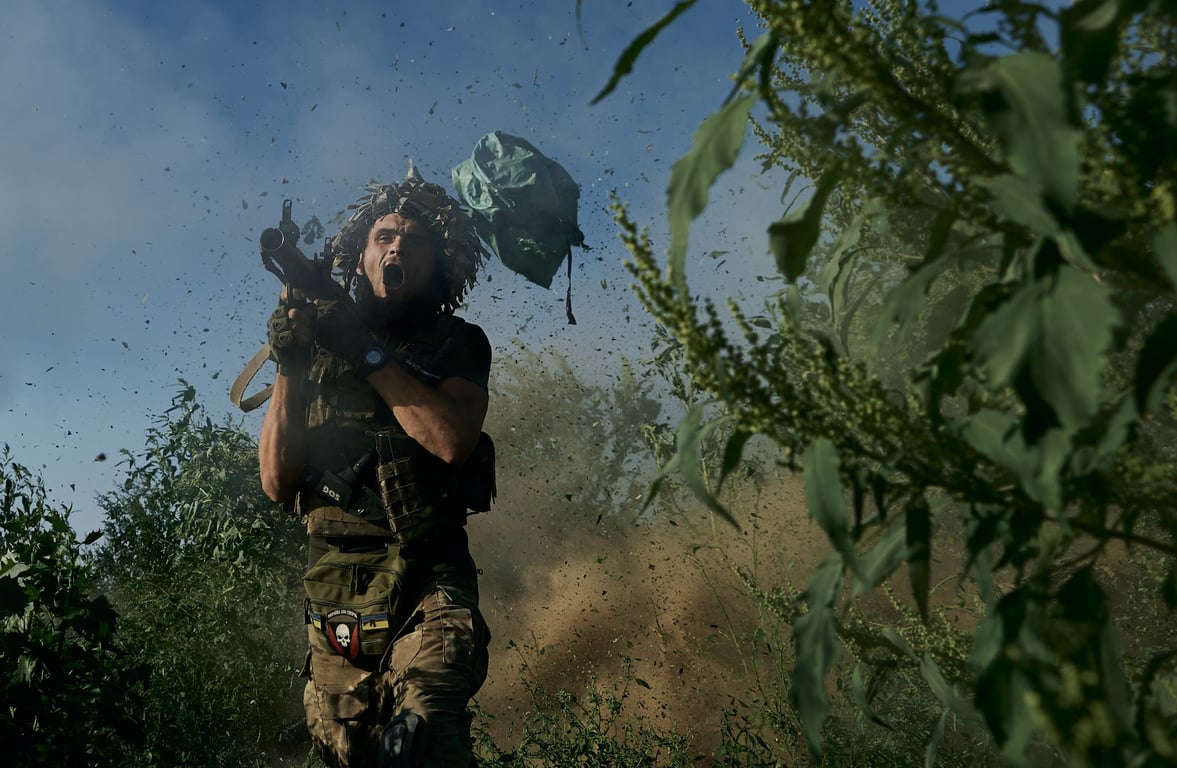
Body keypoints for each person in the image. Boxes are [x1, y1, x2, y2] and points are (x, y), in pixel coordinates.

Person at [258, 166, 495, 768]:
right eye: (384, 237)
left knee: (421, 736)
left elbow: (450, 440)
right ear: (359, 257)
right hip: (338, 588)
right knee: (352, 754)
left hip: (427, 578)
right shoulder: (316, 348)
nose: (396, 250)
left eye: (414, 242)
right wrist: (290, 362)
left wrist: (362, 349)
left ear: (437, 263)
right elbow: (277, 482)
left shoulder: (458, 342)